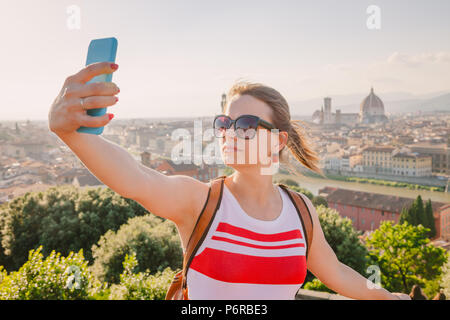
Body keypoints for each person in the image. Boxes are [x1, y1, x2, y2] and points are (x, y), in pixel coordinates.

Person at [48, 62, 410, 300]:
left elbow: (339, 275)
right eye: (225, 123)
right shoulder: (200, 202)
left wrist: (392, 298)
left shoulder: (301, 212)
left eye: (247, 125)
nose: (230, 133)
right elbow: (135, 178)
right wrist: (70, 132)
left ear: (279, 140)